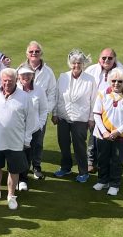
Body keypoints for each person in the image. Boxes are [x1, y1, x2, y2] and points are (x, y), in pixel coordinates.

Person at [0, 69, 36, 211]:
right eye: (4, 80)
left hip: (15, 141)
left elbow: (32, 121)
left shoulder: (25, 97)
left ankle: (11, 195)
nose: (7, 83)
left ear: (16, 80)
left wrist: (26, 140)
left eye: (10, 81)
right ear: (1, 80)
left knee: (14, 169)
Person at [92, 69, 123, 196]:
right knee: (103, 158)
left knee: (117, 160)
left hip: (121, 135)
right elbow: (96, 115)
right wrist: (104, 132)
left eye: (120, 81)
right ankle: (102, 181)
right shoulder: (102, 94)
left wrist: (118, 131)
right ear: (109, 81)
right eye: (114, 81)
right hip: (103, 134)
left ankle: (114, 184)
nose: (116, 83)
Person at [52, 50, 96, 182]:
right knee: (63, 144)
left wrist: (91, 118)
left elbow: (93, 100)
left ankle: (83, 172)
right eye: (74, 63)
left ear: (83, 64)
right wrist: (55, 113)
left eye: (79, 63)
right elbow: (57, 96)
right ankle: (66, 167)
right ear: (70, 63)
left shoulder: (90, 80)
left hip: (81, 119)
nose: (76, 65)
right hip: (63, 117)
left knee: (79, 146)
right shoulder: (63, 77)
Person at [23, 41, 56, 179]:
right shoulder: (20, 69)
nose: (34, 54)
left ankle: (36, 167)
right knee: (23, 141)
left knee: (38, 142)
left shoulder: (48, 72)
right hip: (23, 114)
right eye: (31, 51)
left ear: (41, 53)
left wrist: (46, 111)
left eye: (37, 51)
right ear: (27, 54)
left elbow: (52, 93)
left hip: (40, 114)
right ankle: (23, 168)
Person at [16, 65, 49, 192]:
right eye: (23, 74)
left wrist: (40, 125)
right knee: (15, 154)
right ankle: (15, 177)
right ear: (18, 76)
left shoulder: (39, 90)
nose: (26, 77)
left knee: (27, 154)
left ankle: (23, 179)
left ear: (32, 76)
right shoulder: (14, 88)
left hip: (33, 129)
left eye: (28, 74)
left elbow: (44, 110)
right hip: (16, 129)